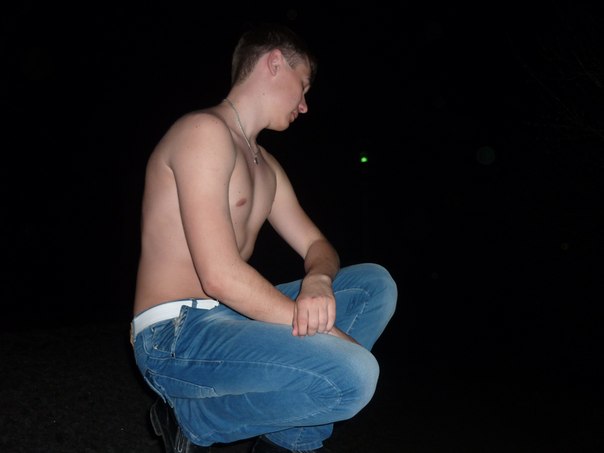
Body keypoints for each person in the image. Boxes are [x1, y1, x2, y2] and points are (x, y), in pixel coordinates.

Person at [130, 22, 397, 453]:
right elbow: (219, 275)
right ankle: (193, 420)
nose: (305, 105)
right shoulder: (203, 132)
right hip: (175, 335)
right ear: (274, 63)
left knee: (373, 286)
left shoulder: (267, 166)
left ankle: (288, 440)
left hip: (229, 318)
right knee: (354, 376)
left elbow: (318, 247)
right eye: (303, 86)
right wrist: (332, 339)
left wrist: (318, 280)